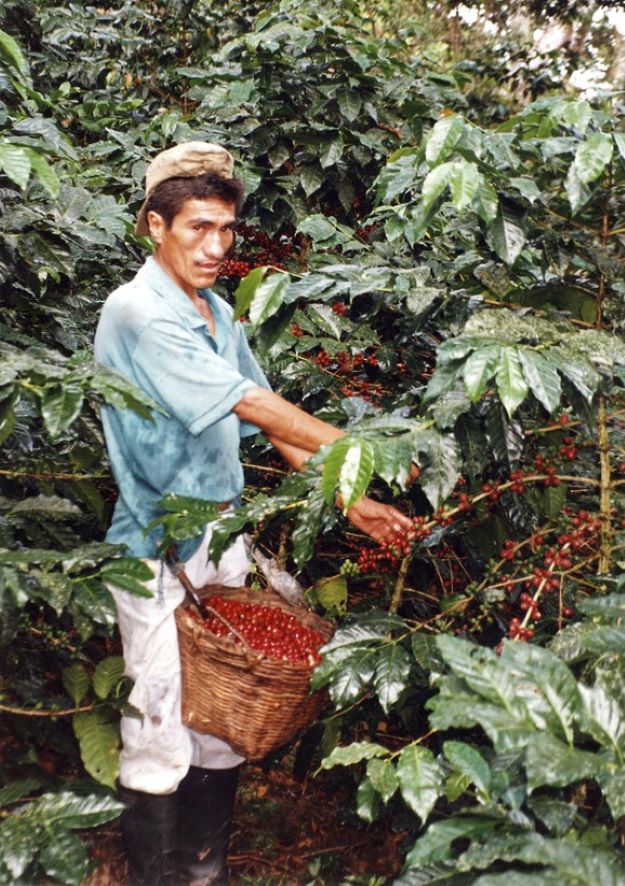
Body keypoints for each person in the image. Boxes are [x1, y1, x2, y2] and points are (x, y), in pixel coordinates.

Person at [94, 141, 413, 885]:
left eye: (227, 230)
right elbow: (251, 402)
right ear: (154, 225)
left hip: (220, 535)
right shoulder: (138, 311)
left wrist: (357, 502)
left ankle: (205, 871)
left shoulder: (213, 313)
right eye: (197, 228)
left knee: (221, 727)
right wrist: (367, 445)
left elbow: (271, 431)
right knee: (158, 722)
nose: (215, 247)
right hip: (153, 548)